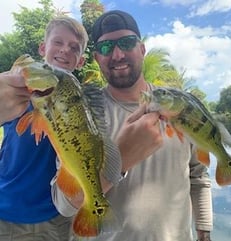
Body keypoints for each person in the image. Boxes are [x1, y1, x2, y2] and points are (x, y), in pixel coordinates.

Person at [51, 10, 213, 241]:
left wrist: (204, 231)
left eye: (126, 43)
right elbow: (65, 204)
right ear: (97, 57)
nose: (117, 54)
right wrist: (121, 160)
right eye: (106, 47)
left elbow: (198, 176)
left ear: (142, 49)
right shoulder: (81, 112)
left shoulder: (182, 107)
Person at [0, 15, 88, 241]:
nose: (65, 50)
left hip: (55, 216)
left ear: (80, 62)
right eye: (58, 42)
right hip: (7, 208)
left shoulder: (81, 105)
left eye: (74, 48)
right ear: (43, 48)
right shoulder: (18, 88)